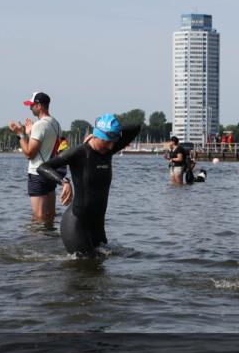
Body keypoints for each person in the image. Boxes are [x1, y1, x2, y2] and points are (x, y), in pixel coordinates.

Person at [37, 113, 140, 256]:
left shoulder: (108, 150)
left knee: (101, 268)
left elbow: (136, 127)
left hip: (97, 225)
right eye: (107, 141)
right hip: (76, 224)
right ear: (96, 135)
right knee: (82, 269)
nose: (111, 145)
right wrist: (64, 182)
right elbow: (43, 167)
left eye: (113, 141)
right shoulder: (80, 152)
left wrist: (114, 128)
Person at [8, 91, 63, 226]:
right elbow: (47, 147)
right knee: (50, 216)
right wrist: (30, 133)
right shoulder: (56, 123)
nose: (30, 108)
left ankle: (35, 246)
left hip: (37, 174)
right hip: (50, 173)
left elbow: (29, 154)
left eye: (32, 105)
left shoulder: (39, 125)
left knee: (38, 218)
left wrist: (20, 134)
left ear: (39, 106)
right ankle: (49, 244)